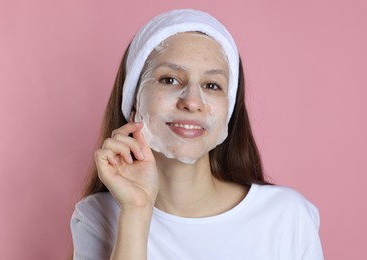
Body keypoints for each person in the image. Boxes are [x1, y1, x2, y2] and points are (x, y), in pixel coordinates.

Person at [70, 9, 324, 260]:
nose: (192, 102)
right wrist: (136, 210)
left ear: (229, 110)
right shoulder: (98, 216)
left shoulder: (288, 216)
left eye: (211, 85)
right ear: (133, 101)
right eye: (170, 80)